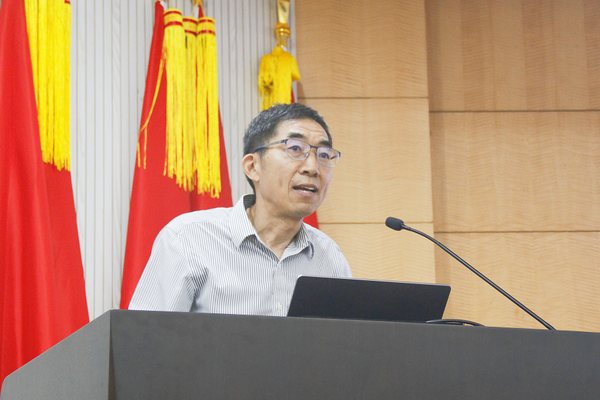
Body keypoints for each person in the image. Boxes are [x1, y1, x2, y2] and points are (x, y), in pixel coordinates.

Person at [128, 103, 352, 315]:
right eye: (295, 148)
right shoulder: (188, 239)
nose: (313, 168)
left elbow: (346, 339)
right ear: (253, 167)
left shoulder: (329, 258)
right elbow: (144, 335)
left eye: (324, 155)